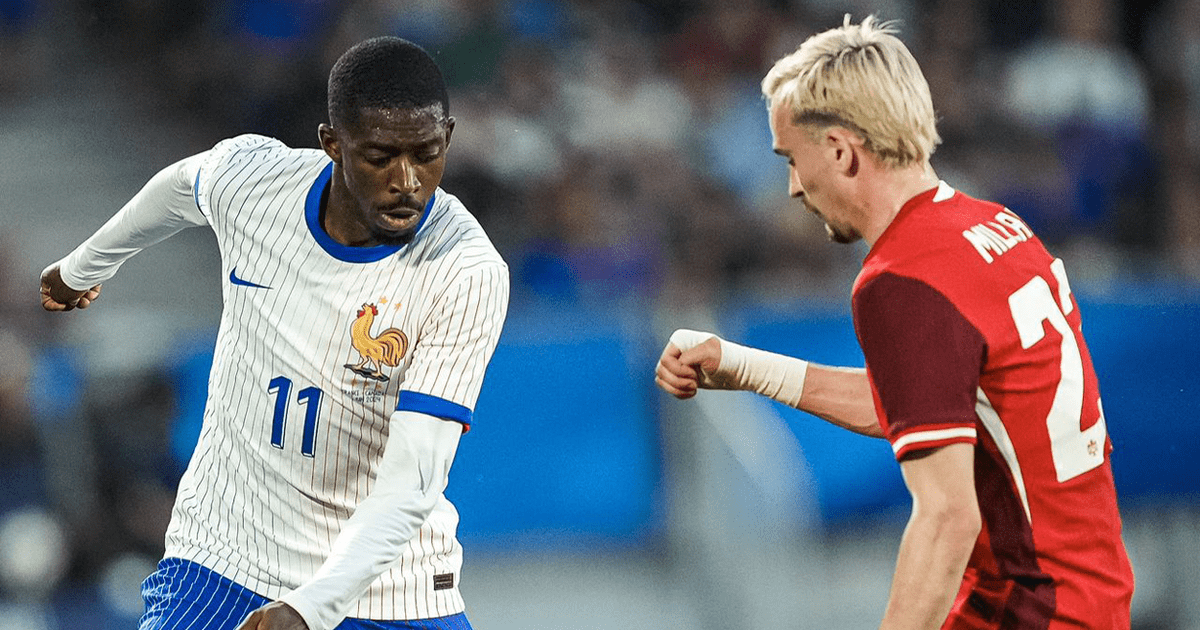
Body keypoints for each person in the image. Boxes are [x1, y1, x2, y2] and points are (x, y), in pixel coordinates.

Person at [654, 15, 1134, 629]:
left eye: (793, 160)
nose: (794, 187)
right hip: (1092, 595)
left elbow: (947, 517)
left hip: (1027, 610)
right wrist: (743, 366)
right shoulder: (996, 227)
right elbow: (937, 402)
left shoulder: (900, 279)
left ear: (839, 150)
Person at [40, 36, 509, 630]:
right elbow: (181, 188)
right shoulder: (258, 183)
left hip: (392, 590)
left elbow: (412, 482)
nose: (408, 181)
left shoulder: (465, 271)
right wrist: (83, 267)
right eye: (380, 156)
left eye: (427, 152)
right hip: (225, 559)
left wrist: (310, 609)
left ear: (448, 135)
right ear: (332, 144)